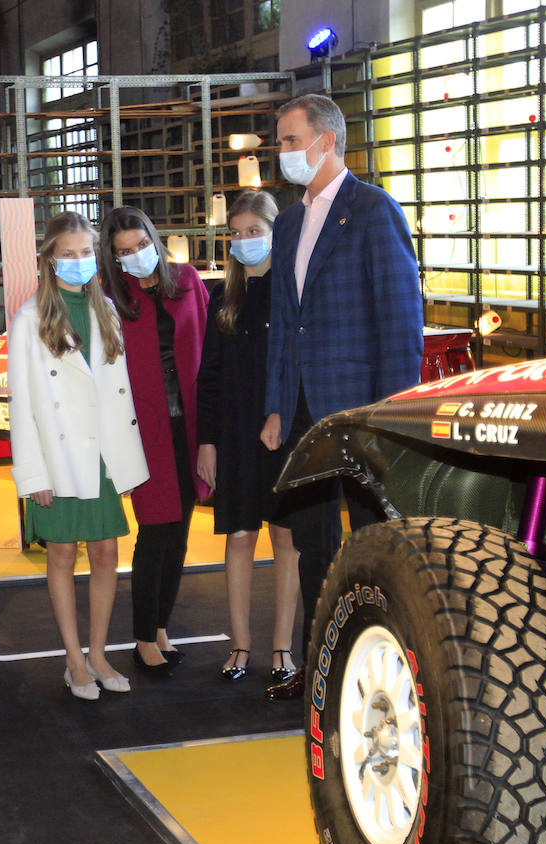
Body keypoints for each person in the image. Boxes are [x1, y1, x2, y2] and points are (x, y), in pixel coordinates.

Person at [260, 94, 424, 700]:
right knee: (312, 545)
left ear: (326, 141)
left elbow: (400, 321)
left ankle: (386, 673)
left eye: (288, 140)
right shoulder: (288, 220)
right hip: (303, 407)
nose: (282, 153)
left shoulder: (373, 210)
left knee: (374, 542)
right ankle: (320, 669)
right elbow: (284, 320)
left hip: (362, 407)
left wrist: (392, 416)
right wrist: (277, 405)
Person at [8, 211, 149, 701]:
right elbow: (22, 404)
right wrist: (32, 474)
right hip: (59, 457)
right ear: (48, 259)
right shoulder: (29, 319)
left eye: (85, 252)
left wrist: (128, 462)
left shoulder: (106, 310)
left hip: (104, 456)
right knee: (64, 554)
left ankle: (98, 652)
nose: (77, 262)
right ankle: (74, 660)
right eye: (66, 254)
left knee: (108, 552)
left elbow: (119, 393)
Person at [196, 190, 301, 688]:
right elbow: (209, 376)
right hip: (236, 433)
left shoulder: (294, 290)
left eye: (254, 232)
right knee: (239, 536)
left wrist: (281, 413)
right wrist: (208, 441)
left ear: (277, 232)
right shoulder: (223, 296)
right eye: (235, 234)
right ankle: (239, 643)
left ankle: (283, 646)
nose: (244, 242)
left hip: (284, 431)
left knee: (286, 538)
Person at [100, 207, 210, 678]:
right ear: (113, 257)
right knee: (154, 532)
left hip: (189, 421)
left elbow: (208, 348)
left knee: (180, 530)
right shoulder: (110, 298)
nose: (136, 256)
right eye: (124, 252)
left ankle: (161, 627)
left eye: (141, 245)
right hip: (143, 429)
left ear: (154, 237)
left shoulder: (187, 280)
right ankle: (144, 635)